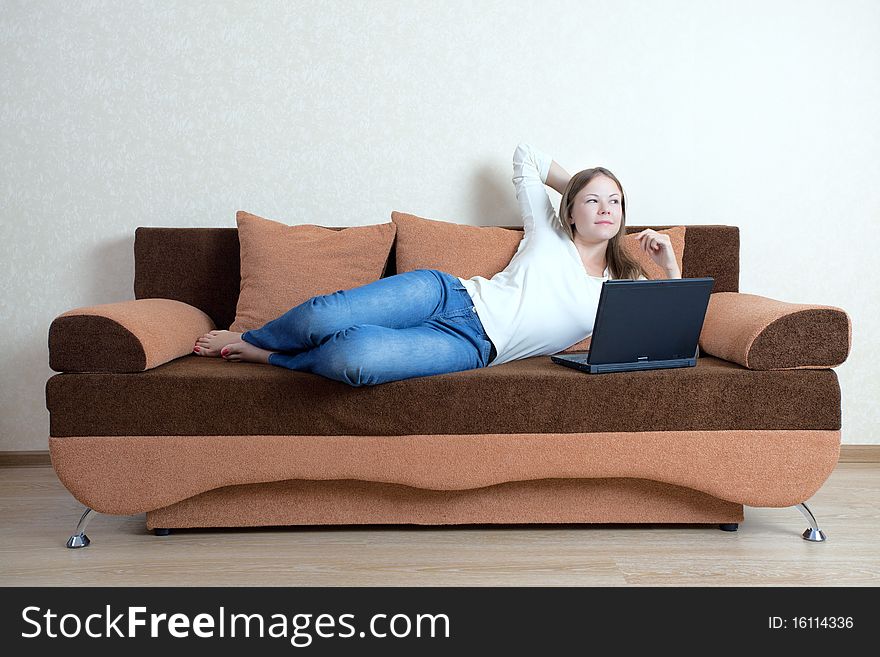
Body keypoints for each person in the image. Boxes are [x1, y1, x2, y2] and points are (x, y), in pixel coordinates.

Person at [193, 143, 681, 386]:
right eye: (592, 200)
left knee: (355, 360)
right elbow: (526, 153)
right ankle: (254, 339)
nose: (604, 209)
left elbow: (660, 336)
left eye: (613, 201)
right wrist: (580, 185)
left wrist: (670, 268)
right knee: (325, 316)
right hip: (449, 294)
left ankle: (273, 357)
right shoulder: (550, 231)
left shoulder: (625, 283)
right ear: (570, 208)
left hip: (471, 345)